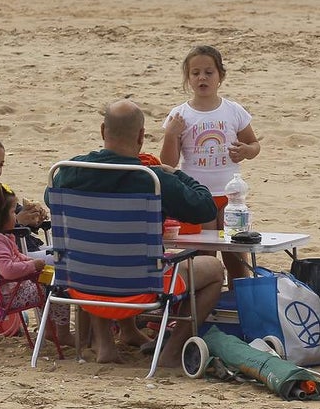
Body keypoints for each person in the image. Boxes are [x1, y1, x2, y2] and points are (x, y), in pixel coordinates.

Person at [53, 99, 223, 366]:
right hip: (142, 289)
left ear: (102, 131)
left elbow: (52, 201)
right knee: (214, 269)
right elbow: (204, 208)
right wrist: (175, 175)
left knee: (98, 248)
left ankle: (106, 346)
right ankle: (170, 352)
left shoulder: (69, 172)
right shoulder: (152, 179)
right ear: (142, 137)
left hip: (84, 282)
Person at [161, 45, 261, 280]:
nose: (202, 78)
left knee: (236, 252)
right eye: (195, 73)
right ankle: (207, 299)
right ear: (188, 78)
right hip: (196, 196)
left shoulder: (234, 110)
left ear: (221, 76)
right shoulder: (179, 114)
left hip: (231, 196)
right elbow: (167, 163)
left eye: (209, 72)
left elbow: (254, 145)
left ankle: (239, 297)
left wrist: (246, 151)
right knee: (204, 254)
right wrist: (170, 135)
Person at [0, 182, 54, 328]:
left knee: (47, 281)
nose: (16, 216)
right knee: (56, 288)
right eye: (13, 212)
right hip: (9, 296)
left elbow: (16, 256)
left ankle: (50, 328)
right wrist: (32, 265)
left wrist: (31, 261)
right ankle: (56, 330)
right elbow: (7, 270)